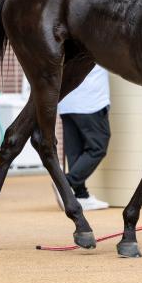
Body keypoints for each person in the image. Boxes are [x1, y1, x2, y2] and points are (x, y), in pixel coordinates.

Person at [56, 65, 111, 211]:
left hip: (66, 102)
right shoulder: (100, 41)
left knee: (75, 151)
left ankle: (81, 196)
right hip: (90, 101)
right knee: (98, 147)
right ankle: (65, 183)